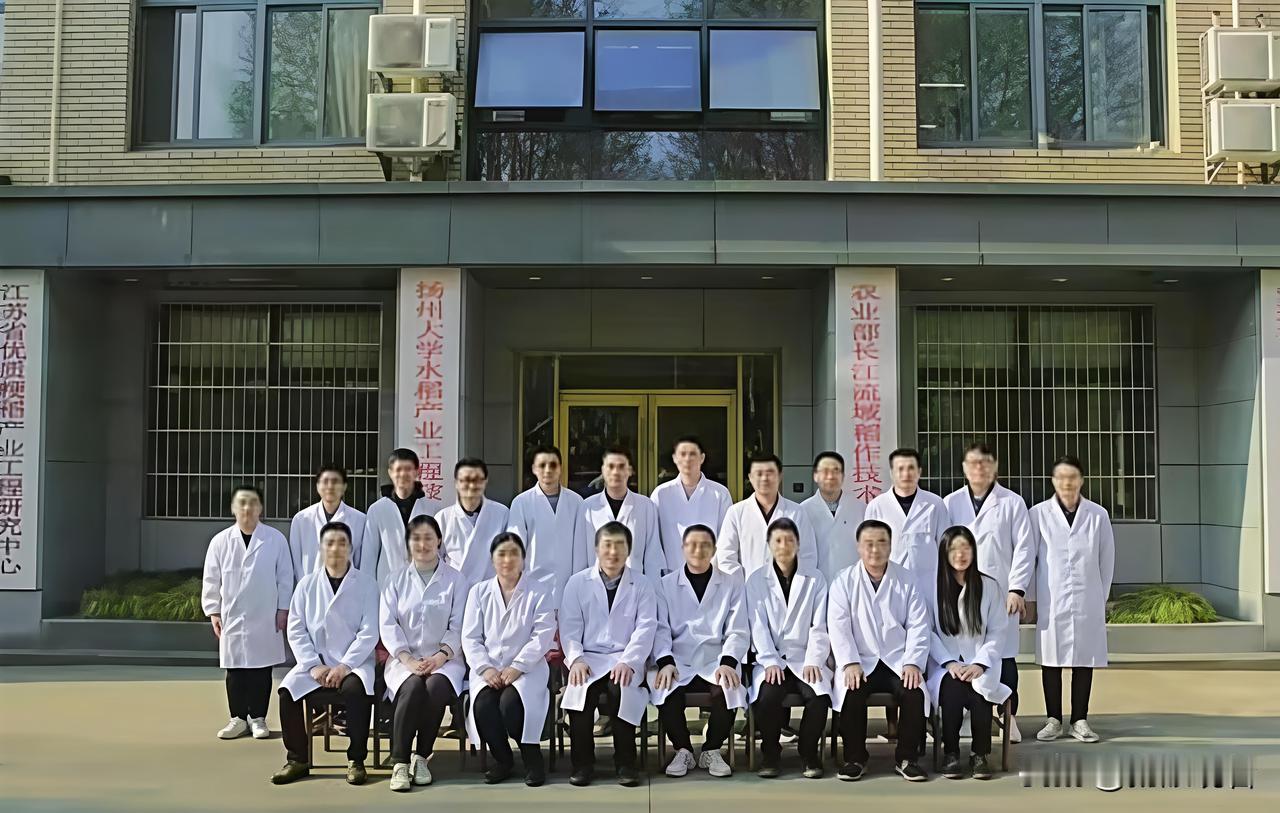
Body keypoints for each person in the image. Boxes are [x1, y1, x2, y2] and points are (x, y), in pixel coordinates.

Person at [272, 522, 379, 785]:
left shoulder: (367, 585)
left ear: (351, 548)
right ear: (320, 548)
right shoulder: (306, 585)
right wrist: (313, 665)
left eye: (342, 543)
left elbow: (369, 632)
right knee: (287, 693)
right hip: (315, 663)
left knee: (355, 691)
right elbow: (296, 629)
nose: (335, 549)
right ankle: (297, 760)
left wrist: (344, 666)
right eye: (329, 543)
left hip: (354, 664)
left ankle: (356, 760)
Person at [942, 442, 1034, 743]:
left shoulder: (1012, 502)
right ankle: (969, 713)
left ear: (995, 467)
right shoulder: (950, 503)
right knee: (964, 653)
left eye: (985, 462)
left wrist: (1017, 589)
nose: (978, 468)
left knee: (1003, 656)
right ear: (964, 468)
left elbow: (1024, 548)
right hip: (960, 593)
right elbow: (943, 546)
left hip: (1000, 593)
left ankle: (1009, 716)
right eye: (972, 463)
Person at [828, 519, 930, 782]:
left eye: (882, 543)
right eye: (869, 544)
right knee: (852, 692)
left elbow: (919, 625)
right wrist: (849, 662)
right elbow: (838, 627)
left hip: (897, 658)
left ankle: (906, 759)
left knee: (914, 692)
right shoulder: (843, 581)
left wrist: (913, 662)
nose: (875, 550)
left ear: (891, 546)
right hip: (861, 659)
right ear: (858, 547)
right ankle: (855, 758)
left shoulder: (907, 580)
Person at [559, 521, 658, 787]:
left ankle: (626, 763)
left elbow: (646, 628)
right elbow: (569, 627)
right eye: (607, 545)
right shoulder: (577, 583)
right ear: (596, 549)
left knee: (620, 691)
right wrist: (576, 659)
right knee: (581, 696)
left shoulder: (642, 584)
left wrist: (629, 661)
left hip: (624, 658)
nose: (613, 552)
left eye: (619, 546)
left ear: (629, 551)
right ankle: (582, 764)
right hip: (588, 658)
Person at [650, 524, 749, 779]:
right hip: (679, 659)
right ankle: (682, 749)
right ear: (683, 548)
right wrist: (666, 661)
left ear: (714, 550)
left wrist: (728, 662)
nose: (698, 550)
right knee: (665, 687)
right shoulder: (665, 585)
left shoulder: (731, 584)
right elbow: (660, 629)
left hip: (715, 658)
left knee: (728, 687)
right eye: (692, 545)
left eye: (705, 545)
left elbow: (737, 629)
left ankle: (711, 750)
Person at [1030, 455, 1114, 744]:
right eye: (1061, 477)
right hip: (1051, 598)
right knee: (1051, 660)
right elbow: (1030, 559)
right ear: (1053, 481)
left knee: (1083, 660)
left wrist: (1099, 598)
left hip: (1087, 598)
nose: (1067, 483)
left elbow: (1106, 560)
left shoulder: (1098, 515)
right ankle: (1053, 719)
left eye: (1073, 477)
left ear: (1081, 480)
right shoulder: (1038, 514)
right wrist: (1030, 599)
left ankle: (1080, 719)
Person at [461, 532, 557, 786]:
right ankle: (503, 759)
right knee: (483, 705)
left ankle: (531, 756)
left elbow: (542, 634)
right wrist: (485, 668)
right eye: (501, 554)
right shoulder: (478, 592)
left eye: (514, 553)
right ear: (492, 559)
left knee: (511, 704)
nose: (507, 560)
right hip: (489, 668)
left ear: (523, 558)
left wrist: (517, 667)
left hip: (528, 669)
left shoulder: (539, 591)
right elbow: (470, 637)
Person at [380, 515, 468, 792]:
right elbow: (388, 624)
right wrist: (407, 659)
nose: (423, 544)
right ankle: (400, 761)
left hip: (446, 660)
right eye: (416, 538)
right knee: (412, 687)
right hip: (404, 659)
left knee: (434, 687)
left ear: (439, 540)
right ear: (408, 543)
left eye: (429, 537)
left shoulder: (456, 580)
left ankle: (421, 757)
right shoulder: (395, 580)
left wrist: (440, 657)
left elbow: (459, 625)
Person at [201, 484, 293, 742]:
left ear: (260, 508)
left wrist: (283, 608)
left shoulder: (275, 539)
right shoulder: (220, 541)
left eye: (253, 502)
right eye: (241, 502)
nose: (247, 508)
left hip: (266, 614)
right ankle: (238, 718)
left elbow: (285, 577)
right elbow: (211, 578)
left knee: (261, 669)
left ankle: (258, 718)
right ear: (233, 508)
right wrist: (213, 610)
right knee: (235, 669)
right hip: (232, 614)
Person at [745, 518, 833, 779]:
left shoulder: (815, 579)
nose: (783, 546)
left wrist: (814, 660)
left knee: (819, 696)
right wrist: (770, 660)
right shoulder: (756, 580)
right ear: (769, 544)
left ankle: (808, 753)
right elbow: (757, 626)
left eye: (789, 540)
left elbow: (820, 626)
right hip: (771, 658)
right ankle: (770, 754)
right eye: (778, 541)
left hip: (805, 657)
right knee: (767, 697)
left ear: (798, 544)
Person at [928, 526, 1010, 781]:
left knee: (979, 692)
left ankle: (979, 754)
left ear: (974, 551)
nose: (960, 554)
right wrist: (949, 663)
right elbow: (927, 632)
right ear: (944, 553)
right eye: (953, 549)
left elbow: (997, 632)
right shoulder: (932, 587)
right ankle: (951, 753)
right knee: (952, 690)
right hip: (946, 665)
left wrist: (980, 664)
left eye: (965, 548)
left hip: (980, 663)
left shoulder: (989, 586)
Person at [505, 446, 591, 602]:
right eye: (542, 465)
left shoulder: (577, 502)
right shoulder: (521, 502)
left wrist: (578, 586)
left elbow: (580, 551)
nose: (547, 470)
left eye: (553, 465)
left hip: (568, 588)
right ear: (534, 469)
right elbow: (516, 549)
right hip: (531, 590)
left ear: (561, 468)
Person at [864, 448, 947, 598]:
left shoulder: (935, 504)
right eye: (900, 469)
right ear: (891, 473)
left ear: (919, 472)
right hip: (890, 584)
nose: (906, 474)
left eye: (911, 468)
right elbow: (868, 549)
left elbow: (945, 547)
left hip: (928, 585)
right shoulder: (877, 506)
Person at [716, 454, 817, 578]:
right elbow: (725, 557)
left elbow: (807, 555)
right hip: (746, 587)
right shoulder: (736, 512)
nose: (764, 478)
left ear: (780, 476)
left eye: (770, 473)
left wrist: (791, 584)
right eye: (759, 474)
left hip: (788, 587)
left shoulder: (797, 512)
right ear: (750, 477)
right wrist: (741, 585)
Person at [651, 435, 733, 575]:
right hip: (670, 575)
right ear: (675, 458)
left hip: (710, 574)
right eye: (682, 454)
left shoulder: (720, 493)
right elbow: (654, 541)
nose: (687, 459)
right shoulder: (661, 494)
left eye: (692, 454)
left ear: (702, 458)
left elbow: (726, 539)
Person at [581, 448, 665, 578]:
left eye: (621, 466)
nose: (615, 472)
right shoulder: (587, 507)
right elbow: (581, 557)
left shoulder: (646, 506)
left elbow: (653, 557)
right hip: (596, 585)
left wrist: (653, 588)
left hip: (635, 585)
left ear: (630, 470)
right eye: (611, 466)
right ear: (602, 470)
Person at [359, 449, 430, 585]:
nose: (403, 474)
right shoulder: (377, 509)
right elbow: (368, 557)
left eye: (408, 469)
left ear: (417, 472)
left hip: (423, 585)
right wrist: (367, 590)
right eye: (398, 469)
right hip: (387, 587)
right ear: (390, 472)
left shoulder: (432, 509)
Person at [435, 458, 509, 587]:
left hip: (490, 589)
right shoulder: (443, 518)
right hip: (454, 590)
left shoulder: (502, 513)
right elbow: (435, 560)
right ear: (456, 483)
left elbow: (508, 555)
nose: (471, 485)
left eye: (477, 480)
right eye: (465, 480)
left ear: (485, 481)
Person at [288, 464, 367, 581]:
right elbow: (296, 562)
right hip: (310, 586)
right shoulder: (301, 519)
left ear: (344, 486)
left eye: (335, 482)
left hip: (347, 586)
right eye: (325, 481)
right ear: (317, 486)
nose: (330, 486)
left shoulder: (359, 519)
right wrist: (305, 585)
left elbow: (360, 561)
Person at [799, 451, 866, 583]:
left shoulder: (861, 508)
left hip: (853, 584)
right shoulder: (802, 511)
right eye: (825, 471)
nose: (830, 476)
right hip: (816, 585)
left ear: (843, 476)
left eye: (836, 471)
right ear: (815, 476)